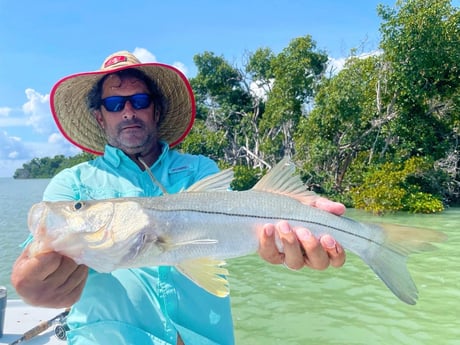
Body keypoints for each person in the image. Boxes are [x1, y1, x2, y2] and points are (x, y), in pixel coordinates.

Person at [11, 51, 346, 345]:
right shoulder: (72, 182)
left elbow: (250, 222)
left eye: (139, 101)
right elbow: (33, 269)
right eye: (114, 104)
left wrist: (299, 228)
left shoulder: (200, 170)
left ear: (155, 110)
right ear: (101, 117)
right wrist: (32, 283)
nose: (128, 111)